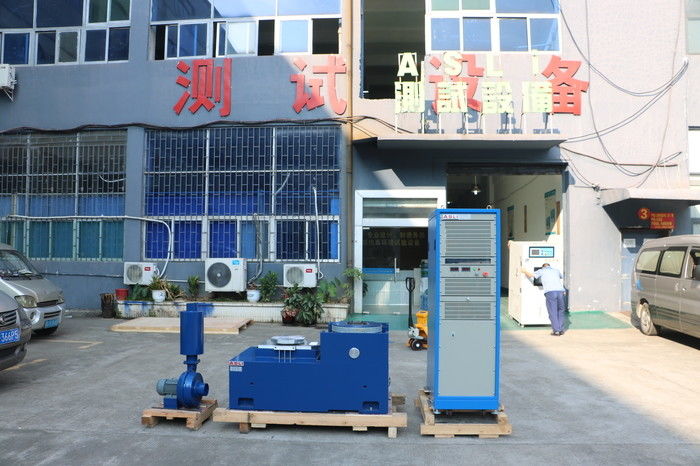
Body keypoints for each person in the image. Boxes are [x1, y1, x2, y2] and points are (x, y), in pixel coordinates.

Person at [521, 263, 566, 336]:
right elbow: (561, 277)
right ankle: (561, 330)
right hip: (560, 292)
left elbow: (531, 275)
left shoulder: (541, 271)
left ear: (543, 267)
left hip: (550, 292)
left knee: (553, 312)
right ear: (549, 266)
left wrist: (524, 271)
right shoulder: (556, 270)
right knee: (560, 310)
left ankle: (556, 331)